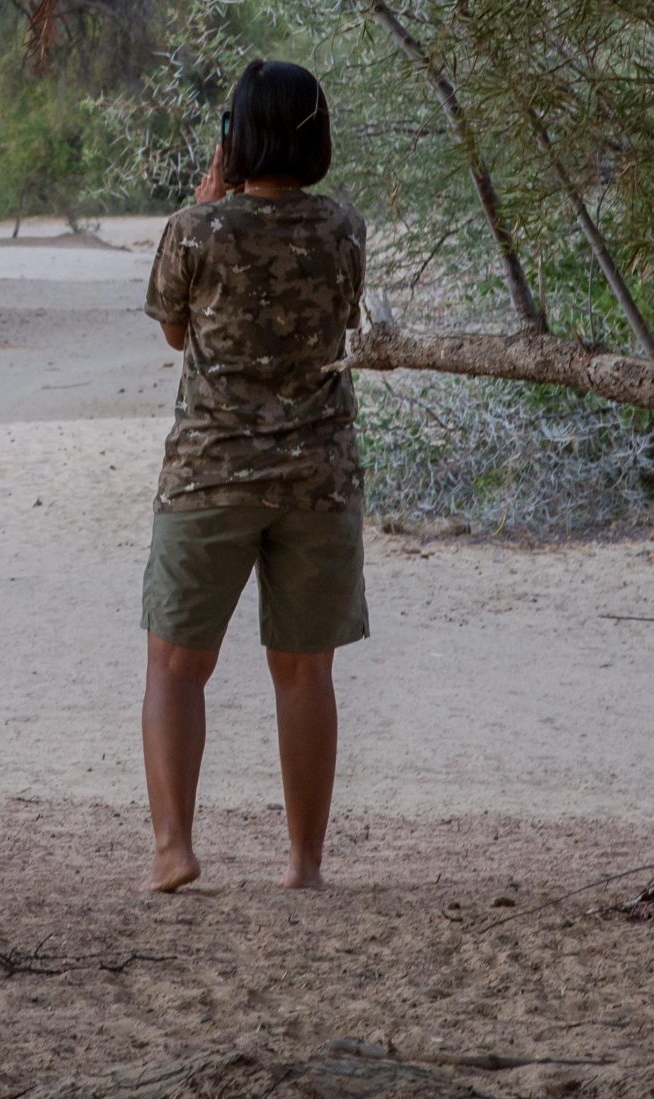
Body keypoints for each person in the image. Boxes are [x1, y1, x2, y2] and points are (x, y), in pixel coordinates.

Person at [139, 58, 367, 893]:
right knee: (305, 670)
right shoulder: (344, 228)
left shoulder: (195, 231)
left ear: (237, 136)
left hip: (210, 474)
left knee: (174, 664)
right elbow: (338, 320)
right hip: (318, 474)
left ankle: (174, 846)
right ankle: (304, 863)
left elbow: (173, 330)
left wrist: (205, 204)